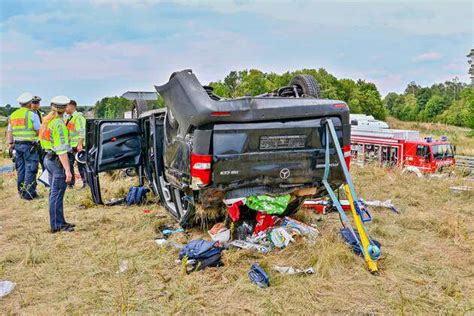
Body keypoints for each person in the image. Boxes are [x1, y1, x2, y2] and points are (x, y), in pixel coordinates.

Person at [39, 96, 75, 233]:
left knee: (54, 193)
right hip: (57, 160)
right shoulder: (58, 124)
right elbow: (61, 150)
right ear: (65, 108)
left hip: (48, 158)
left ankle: (59, 221)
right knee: (57, 193)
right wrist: (67, 169)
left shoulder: (48, 121)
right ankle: (57, 225)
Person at [6, 92, 41, 199]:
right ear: (30, 103)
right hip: (29, 146)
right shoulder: (32, 115)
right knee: (30, 169)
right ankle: (29, 194)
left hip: (17, 146)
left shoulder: (13, 115)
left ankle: (21, 192)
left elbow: (9, 131)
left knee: (21, 169)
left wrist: (11, 144)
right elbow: (39, 131)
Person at [64, 100, 87, 188]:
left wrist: (80, 144)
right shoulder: (69, 117)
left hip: (78, 146)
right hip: (71, 146)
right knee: (69, 165)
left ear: (72, 106)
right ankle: (70, 184)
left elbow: (82, 131)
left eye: (66, 106)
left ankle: (86, 183)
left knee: (82, 166)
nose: (65, 108)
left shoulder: (78, 117)